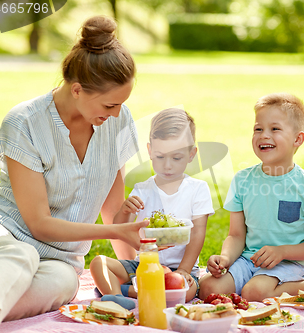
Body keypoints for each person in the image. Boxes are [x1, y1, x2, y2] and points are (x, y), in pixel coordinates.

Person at [0, 16, 148, 332]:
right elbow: (39, 225)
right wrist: (116, 232)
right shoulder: (25, 123)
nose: (117, 114)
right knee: (20, 255)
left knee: (64, 284)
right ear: (77, 90)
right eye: (110, 105)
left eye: (121, 106)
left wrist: (136, 272)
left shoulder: (116, 120)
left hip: (60, 260)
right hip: (3, 236)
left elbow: (114, 213)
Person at [198, 92, 304, 302]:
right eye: (258, 129)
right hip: (249, 259)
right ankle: (252, 282)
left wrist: (282, 251)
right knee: (207, 287)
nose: (263, 135)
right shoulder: (242, 180)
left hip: (288, 262)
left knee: (254, 293)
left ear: (298, 138)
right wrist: (225, 258)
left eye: (274, 129)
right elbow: (236, 235)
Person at [90, 108, 214, 303]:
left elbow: (198, 233)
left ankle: (122, 292)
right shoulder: (143, 189)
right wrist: (124, 210)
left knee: (184, 292)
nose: (167, 165)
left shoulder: (198, 189)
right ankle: (117, 296)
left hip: (178, 268)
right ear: (149, 151)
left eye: (176, 158)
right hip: (144, 266)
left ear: (191, 154)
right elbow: (118, 229)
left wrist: (184, 270)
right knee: (99, 263)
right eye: (160, 156)